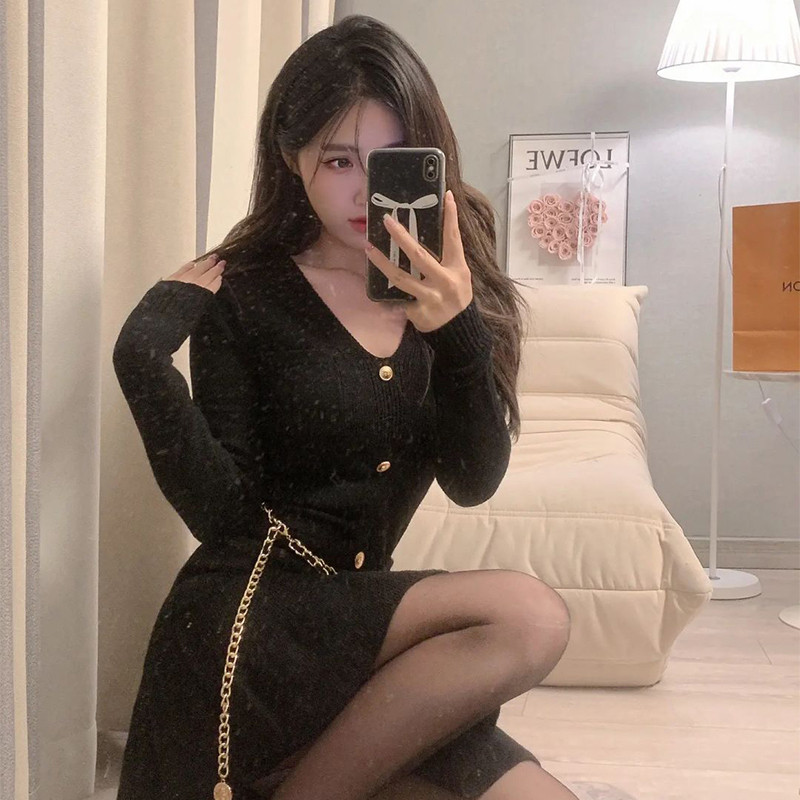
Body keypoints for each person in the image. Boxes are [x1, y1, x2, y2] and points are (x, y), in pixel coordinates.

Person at [112, 13, 577, 800]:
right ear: (291, 159)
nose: (363, 189)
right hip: (254, 632)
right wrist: (143, 365)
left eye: (389, 160)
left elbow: (472, 480)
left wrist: (458, 331)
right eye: (337, 159)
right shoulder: (250, 291)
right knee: (528, 615)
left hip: (365, 646)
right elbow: (223, 519)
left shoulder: (456, 282)